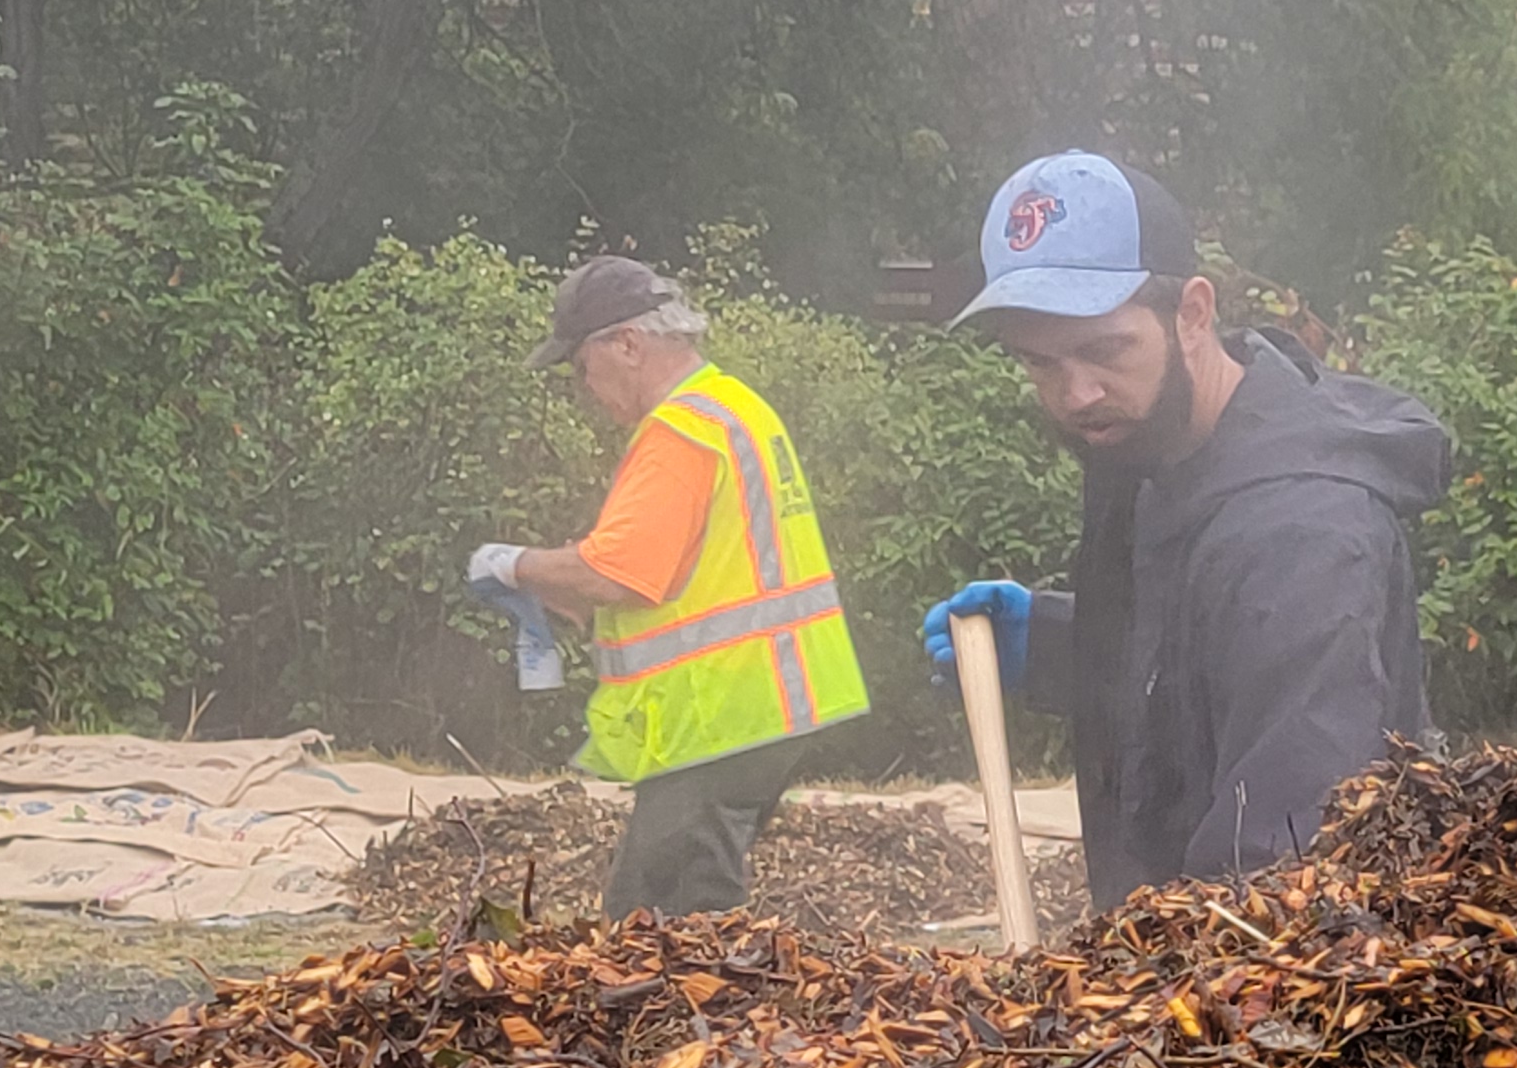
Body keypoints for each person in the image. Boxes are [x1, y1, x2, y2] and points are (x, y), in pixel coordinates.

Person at [922, 151, 1449, 910]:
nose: (1077, 393)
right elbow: (1202, 660)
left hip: (1275, 997)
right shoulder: (1150, 446)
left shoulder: (1300, 535)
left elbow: (1282, 875)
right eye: (1040, 363)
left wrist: (1144, 1007)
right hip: (1180, 977)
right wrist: (1064, 645)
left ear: (1193, 313)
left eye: (1105, 350)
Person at [468, 258, 870, 917]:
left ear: (626, 344)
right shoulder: (735, 409)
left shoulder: (679, 432)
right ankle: (730, 1016)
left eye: (579, 367)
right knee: (672, 909)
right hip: (764, 709)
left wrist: (515, 566)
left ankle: (718, 1024)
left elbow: (618, 570)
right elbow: (703, 572)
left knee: (663, 920)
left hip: (718, 718)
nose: (584, 389)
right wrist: (581, 608)